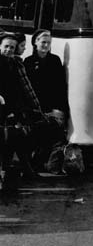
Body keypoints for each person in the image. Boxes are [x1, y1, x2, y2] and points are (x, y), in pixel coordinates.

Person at [0, 32, 46, 185]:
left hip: (11, 109)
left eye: (12, 48)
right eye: (6, 47)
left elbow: (19, 89)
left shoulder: (13, 64)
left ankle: (11, 174)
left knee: (13, 139)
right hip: (3, 108)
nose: (9, 50)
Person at [24, 29, 68, 116]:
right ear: (36, 42)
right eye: (43, 42)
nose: (46, 45)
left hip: (52, 107)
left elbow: (60, 85)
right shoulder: (28, 61)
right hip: (34, 107)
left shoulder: (55, 60)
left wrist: (59, 108)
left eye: (49, 42)